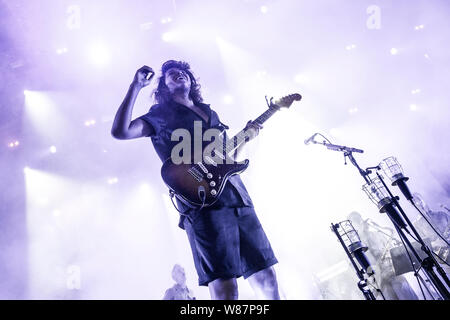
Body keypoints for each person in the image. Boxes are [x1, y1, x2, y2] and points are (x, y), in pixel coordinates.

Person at [111, 60, 280, 300]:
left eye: (183, 72)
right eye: (171, 74)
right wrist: (135, 86)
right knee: (226, 286)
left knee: (267, 277)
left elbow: (227, 158)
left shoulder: (210, 112)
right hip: (202, 204)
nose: (179, 74)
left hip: (237, 198)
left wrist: (245, 138)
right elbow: (121, 131)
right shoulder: (159, 116)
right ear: (163, 87)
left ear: (191, 81)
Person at [348, 211, 419, 300]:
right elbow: (358, 267)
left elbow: (390, 248)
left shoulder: (375, 232)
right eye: (354, 220)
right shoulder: (355, 245)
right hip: (378, 279)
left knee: (405, 293)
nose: (358, 221)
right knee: (388, 296)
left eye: (358, 218)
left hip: (391, 271)